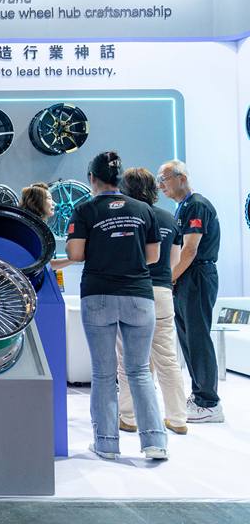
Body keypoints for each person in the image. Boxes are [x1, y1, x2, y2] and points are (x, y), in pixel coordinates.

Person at [66, 150, 167, 460]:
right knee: (139, 371)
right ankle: (154, 442)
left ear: (92, 178)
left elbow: (75, 254)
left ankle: (107, 443)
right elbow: (153, 257)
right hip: (139, 296)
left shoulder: (84, 210)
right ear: (120, 179)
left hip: (98, 295)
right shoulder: (144, 210)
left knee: (103, 373)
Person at [116, 168, 188, 435]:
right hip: (162, 293)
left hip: (133, 291)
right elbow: (174, 261)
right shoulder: (169, 217)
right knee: (167, 357)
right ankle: (177, 418)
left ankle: (129, 417)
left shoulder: (127, 217)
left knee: (130, 360)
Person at [158, 159, 223, 423]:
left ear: (181, 178)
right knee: (187, 338)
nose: (160, 185)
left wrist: (170, 278)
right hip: (187, 277)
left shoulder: (197, 205)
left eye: (164, 179)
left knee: (197, 337)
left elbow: (190, 249)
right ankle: (198, 396)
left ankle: (209, 402)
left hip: (197, 275)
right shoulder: (182, 208)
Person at [19, 182, 72, 271]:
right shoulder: (31, 230)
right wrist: (73, 259)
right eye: (49, 198)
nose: (54, 203)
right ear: (36, 202)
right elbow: (43, 265)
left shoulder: (32, 226)